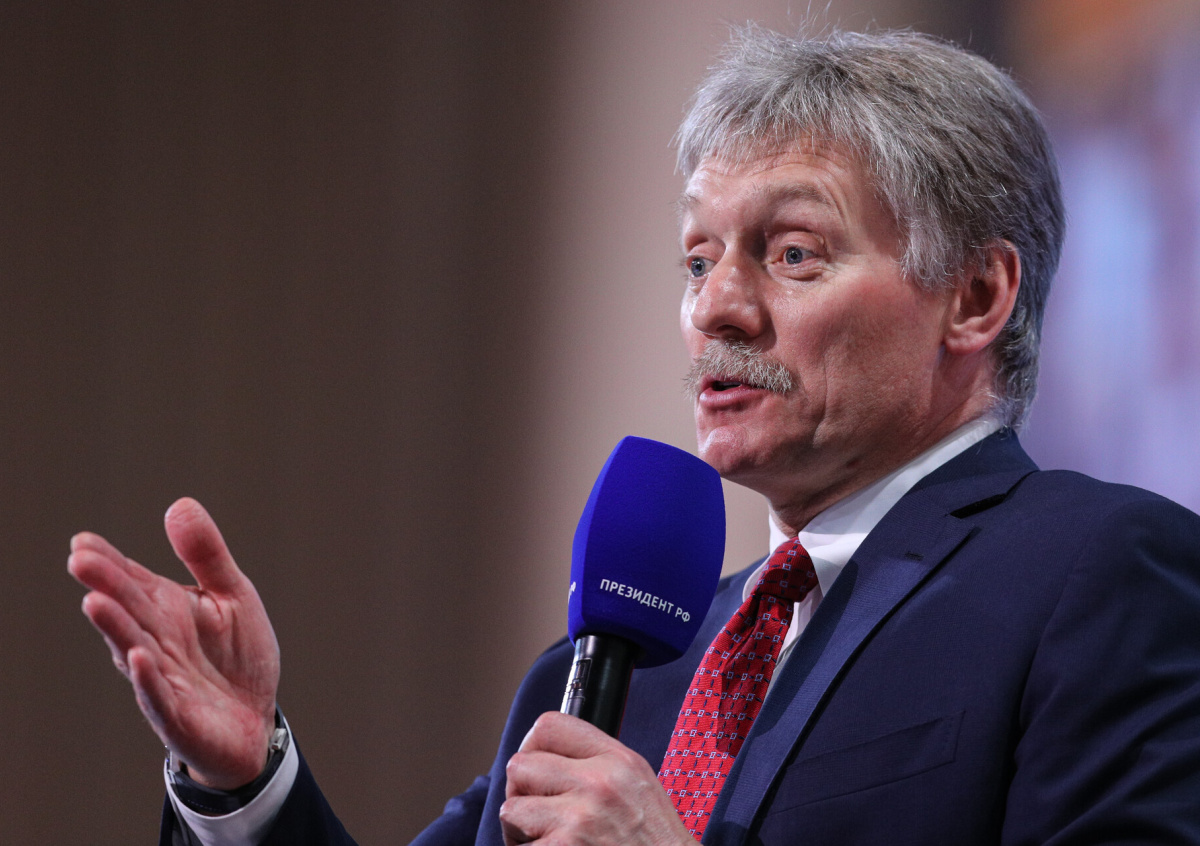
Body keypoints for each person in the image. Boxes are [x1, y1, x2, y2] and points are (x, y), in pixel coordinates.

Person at [69, 25, 1200, 846]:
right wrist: (248, 783)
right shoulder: (616, 675)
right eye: (699, 259)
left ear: (976, 297)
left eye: (793, 253)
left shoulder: (1098, 574)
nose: (717, 308)